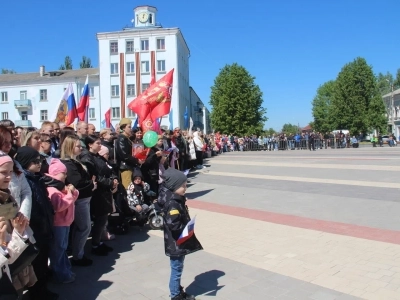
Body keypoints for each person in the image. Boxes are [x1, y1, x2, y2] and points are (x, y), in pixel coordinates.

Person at [15, 146, 58, 300]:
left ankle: (42, 289)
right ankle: (38, 293)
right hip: (35, 227)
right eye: (34, 161)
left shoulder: (36, 177)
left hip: (44, 225)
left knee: (42, 262)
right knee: (37, 263)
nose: (39, 163)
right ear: (25, 162)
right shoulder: (26, 180)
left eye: (39, 160)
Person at [162, 168, 202, 300]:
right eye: (182, 186)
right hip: (176, 244)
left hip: (177, 243)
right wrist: (186, 228)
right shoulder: (173, 203)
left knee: (177, 267)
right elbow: (173, 224)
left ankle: (177, 290)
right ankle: (175, 295)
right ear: (173, 187)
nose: (185, 188)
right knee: (176, 270)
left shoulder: (176, 199)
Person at [0, 154, 32, 299]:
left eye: (10, 172)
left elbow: (9, 257)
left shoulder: (7, 198)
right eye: (3, 173)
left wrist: (18, 233)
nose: (8, 177)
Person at [60, 135, 95, 267]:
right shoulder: (68, 163)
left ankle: (78, 253)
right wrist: (91, 184)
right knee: (85, 228)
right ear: (70, 147)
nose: (81, 148)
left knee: (81, 228)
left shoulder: (75, 161)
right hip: (80, 200)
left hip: (84, 199)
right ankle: (78, 256)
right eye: (78, 146)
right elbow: (77, 182)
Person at [79, 135, 116, 256]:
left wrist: (114, 179)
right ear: (90, 144)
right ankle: (95, 244)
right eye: (98, 143)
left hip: (104, 191)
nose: (100, 145)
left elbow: (109, 167)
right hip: (97, 192)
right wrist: (109, 182)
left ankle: (98, 241)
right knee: (100, 219)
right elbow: (94, 176)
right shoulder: (87, 157)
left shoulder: (98, 156)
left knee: (103, 218)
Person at [44, 159, 79, 284]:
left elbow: (74, 197)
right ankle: (60, 274)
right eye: (63, 173)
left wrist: (72, 192)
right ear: (56, 173)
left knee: (62, 248)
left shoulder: (61, 186)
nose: (66, 175)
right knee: (58, 249)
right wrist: (69, 194)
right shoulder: (52, 189)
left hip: (65, 222)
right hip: (58, 223)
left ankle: (65, 270)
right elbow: (59, 206)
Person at [115, 118, 142, 189]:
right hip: (125, 167)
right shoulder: (122, 139)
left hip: (130, 166)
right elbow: (125, 155)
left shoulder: (127, 138)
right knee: (128, 188)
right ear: (123, 128)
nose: (131, 129)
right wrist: (136, 160)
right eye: (129, 127)